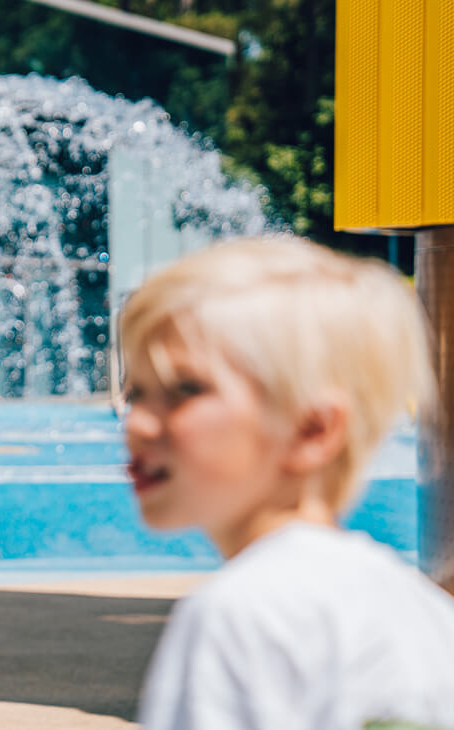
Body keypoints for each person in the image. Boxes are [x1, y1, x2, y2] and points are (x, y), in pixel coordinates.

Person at [120, 236, 454, 730]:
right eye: (136, 393)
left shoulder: (244, 613)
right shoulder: (421, 611)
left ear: (313, 429)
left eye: (185, 391)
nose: (138, 424)